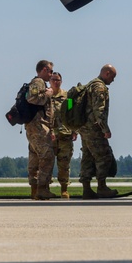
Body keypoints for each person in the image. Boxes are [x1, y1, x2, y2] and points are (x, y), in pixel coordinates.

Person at [79, 64, 118, 199]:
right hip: (93, 129)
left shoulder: (90, 84)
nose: (113, 80)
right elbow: (98, 110)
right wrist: (105, 129)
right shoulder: (99, 87)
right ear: (107, 73)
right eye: (112, 77)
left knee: (87, 158)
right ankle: (102, 187)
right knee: (104, 156)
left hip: (84, 128)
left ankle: (86, 189)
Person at [25, 60, 57, 200]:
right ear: (44, 70)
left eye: (57, 79)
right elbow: (32, 99)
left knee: (41, 157)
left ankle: (57, 188)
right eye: (51, 74)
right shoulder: (39, 83)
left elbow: (68, 108)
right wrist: (48, 94)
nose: (53, 79)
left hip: (52, 128)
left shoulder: (65, 95)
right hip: (38, 126)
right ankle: (40, 189)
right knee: (46, 156)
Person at [49, 71, 77, 199]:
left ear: (61, 81)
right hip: (48, 136)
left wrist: (74, 130)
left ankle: (64, 189)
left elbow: (72, 113)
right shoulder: (45, 96)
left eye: (58, 80)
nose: (56, 82)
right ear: (49, 81)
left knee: (64, 164)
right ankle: (44, 188)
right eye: (53, 79)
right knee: (46, 164)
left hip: (65, 134)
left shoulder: (68, 97)